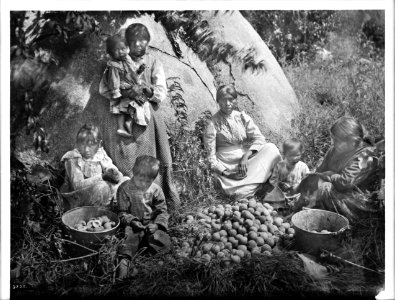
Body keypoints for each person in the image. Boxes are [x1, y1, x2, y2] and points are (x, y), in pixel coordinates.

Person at [99, 23, 180, 211]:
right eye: (133, 41)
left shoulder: (153, 62)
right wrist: (124, 92)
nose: (137, 45)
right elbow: (103, 89)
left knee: (150, 160)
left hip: (147, 119)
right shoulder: (115, 62)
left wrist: (146, 90)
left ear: (148, 41)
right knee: (124, 160)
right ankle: (126, 207)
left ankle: (157, 204)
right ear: (127, 42)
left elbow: (161, 92)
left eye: (142, 40)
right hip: (122, 117)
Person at [295, 116, 381, 222]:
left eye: (337, 140)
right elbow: (319, 172)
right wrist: (305, 185)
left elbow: (344, 182)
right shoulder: (335, 150)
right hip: (337, 191)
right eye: (333, 139)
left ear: (353, 141)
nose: (334, 143)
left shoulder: (366, 156)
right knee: (312, 179)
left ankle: (324, 217)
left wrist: (330, 175)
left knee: (325, 188)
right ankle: (302, 208)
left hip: (357, 201)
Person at [203, 84, 281, 199]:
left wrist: (246, 156)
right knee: (238, 194)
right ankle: (257, 186)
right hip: (226, 164)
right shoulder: (212, 123)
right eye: (223, 100)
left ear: (236, 100)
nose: (228, 104)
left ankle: (267, 184)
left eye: (231, 99)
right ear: (218, 101)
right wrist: (227, 173)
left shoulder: (242, 117)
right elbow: (210, 157)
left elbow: (259, 138)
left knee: (271, 148)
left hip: (244, 162)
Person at [116, 155, 170, 279]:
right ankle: (124, 263)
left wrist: (157, 225)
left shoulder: (156, 190)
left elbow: (162, 211)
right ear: (134, 173)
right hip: (134, 225)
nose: (143, 184)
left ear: (153, 179)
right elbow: (122, 212)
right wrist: (132, 221)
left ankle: (152, 256)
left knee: (162, 240)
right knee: (129, 240)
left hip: (151, 224)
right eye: (140, 179)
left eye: (148, 181)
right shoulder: (124, 189)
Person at [60, 124, 129, 210]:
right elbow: (77, 186)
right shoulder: (73, 158)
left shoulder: (99, 153)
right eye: (82, 144)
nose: (86, 149)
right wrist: (102, 176)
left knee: (126, 180)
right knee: (102, 187)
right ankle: (99, 212)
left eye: (91, 145)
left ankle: (118, 208)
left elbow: (109, 166)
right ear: (77, 143)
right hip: (79, 196)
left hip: (100, 189)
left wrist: (113, 172)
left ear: (99, 144)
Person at [99, 35, 151, 138]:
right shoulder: (113, 66)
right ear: (110, 53)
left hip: (130, 85)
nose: (121, 52)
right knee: (120, 109)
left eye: (123, 49)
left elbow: (132, 71)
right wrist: (117, 94)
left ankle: (129, 123)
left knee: (130, 106)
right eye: (117, 50)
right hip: (122, 88)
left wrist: (139, 70)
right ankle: (120, 127)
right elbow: (114, 81)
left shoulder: (127, 59)